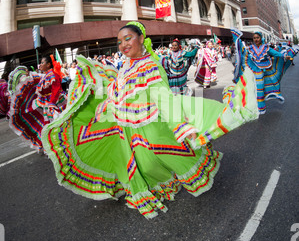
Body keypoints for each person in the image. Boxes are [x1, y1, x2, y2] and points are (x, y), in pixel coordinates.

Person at [41, 21, 258, 219]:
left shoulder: (150, 66)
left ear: (140, 39)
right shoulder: (125, 65)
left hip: (149, 126)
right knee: (136, 163)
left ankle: (164, 181)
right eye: (119, 42)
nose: (123, 45)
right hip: (126, 128)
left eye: (128, 39)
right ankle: (145, 188)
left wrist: (181, 127)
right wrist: (103, 101)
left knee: (156, 158)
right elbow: (117, 90)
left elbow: (164, 99)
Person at [8, 55, 66, 151]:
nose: (40, 65)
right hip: (45, 105)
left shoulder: (53, 75)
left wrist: (52, 104)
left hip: (53, 105)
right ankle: (51, 145)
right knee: (44, 125)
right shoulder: (46, 75)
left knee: (55, 125)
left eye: (42, 63)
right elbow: (37, 78)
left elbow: (55, 91)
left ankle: (59, 144)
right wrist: (28, 74)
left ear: (48, 64)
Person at [231, 29, 293, 114]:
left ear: (261, 38)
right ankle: (251, 106)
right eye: (254, 38)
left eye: (257, 37)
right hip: (252, 70)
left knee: (260, 89)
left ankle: (261, 108)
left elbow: (276, 54)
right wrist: (237, 40)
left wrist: (285, 56)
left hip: (262, 72)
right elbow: (242, 53)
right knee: (250, 89)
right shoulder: (250, 48)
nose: (256, 39)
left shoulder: (266, 48)